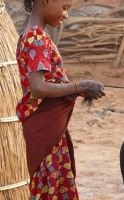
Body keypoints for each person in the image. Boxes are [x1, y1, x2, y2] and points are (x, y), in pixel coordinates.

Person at [16, 0, 106, 199]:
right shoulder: (36, 37)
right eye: (65, 7)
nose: (66, 15)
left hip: (44, 125)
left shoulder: (29, 34)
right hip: (45, 127)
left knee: (50, 186)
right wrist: (79, 87)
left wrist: (79, 90)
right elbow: (38, 88)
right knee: (50, 189)